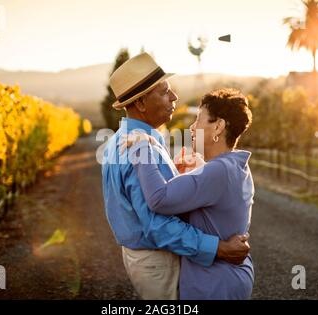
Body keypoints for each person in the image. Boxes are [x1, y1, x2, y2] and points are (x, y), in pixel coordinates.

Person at [102, 53, 250, 300]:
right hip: (159, 259)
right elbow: (156, 225)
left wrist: (179, 177)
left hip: (147, 258)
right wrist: (219, 249)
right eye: (165, 92)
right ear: (140, 104)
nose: (174, 97)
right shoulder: (138, 147)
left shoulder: (120, 140)